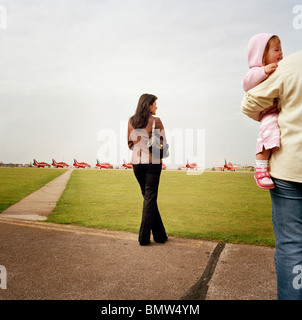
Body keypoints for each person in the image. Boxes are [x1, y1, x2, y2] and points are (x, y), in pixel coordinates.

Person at [242, 50, 302, 300]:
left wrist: (272, 109)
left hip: (291, 167)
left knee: (291, 247)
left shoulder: (291, 64)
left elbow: (249, 102)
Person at [242, 33, 283, 189]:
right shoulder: (256, 71)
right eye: (276, 50)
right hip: (268, 111)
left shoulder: (279, 69)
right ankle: (260, 168)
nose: (281, 54)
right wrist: (264, 71)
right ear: (261, 55)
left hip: (278, 109)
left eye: (281, 50)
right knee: (268, 131)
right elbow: (246, 84)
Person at [128, 94, 168, 246]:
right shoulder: (156, 121)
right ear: (149, 105)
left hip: (136, 163)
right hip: (152, 163)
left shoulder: (131, 121)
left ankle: (160, 235)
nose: (156, 107)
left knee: (148, 198)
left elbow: (129, 143)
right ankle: (143, 238)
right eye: (155, 104)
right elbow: (163, 142)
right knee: (150, 198)